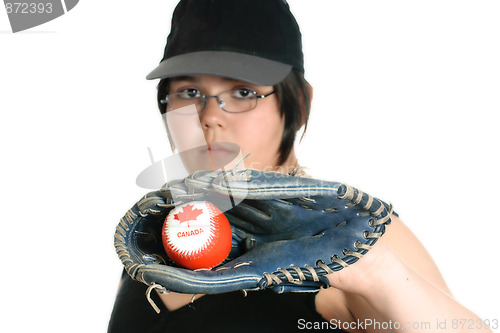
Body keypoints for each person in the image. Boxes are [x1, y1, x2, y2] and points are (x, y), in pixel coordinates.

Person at [108, 1, 492, 332]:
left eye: (243, 92)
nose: (209, 117)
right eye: (189, 92)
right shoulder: (150, 236)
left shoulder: (346, 230)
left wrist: (375, 271)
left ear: (299, 104)